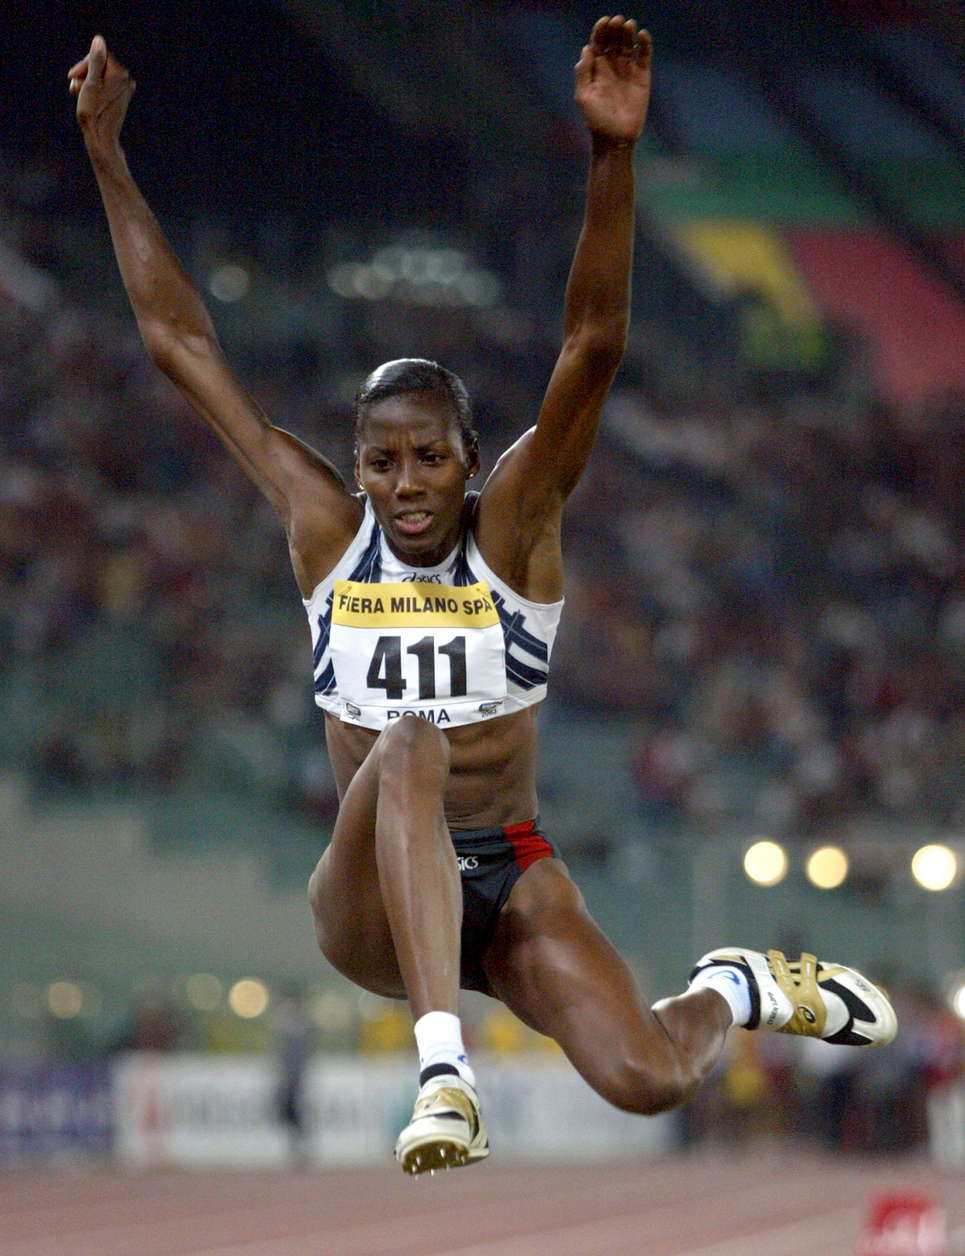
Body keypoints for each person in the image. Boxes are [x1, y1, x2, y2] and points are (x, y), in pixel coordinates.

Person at [70, 15, 896, 1176]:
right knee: (409, 741)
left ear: (470, 460)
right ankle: (442, 1075)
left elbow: (590, 344)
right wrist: (107, 155)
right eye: (381, 461)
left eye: (428, 458)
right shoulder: (325, 531)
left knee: (649, 1078)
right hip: (369, 891)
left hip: (504, 867)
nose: (404, 483)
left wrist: (611, 155)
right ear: (357, 468)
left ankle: (733, 985)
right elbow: (178, 341)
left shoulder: (511, 536)